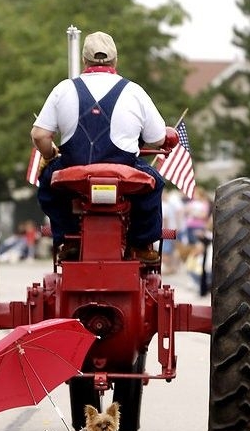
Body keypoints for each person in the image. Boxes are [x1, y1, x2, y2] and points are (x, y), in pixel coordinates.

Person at [31, 31, 171, 263]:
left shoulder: (63, 89)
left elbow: (39, 135)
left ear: (85, 61)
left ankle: (70, 239)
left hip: (72, 171)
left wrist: (50, 155)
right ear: (115, 60)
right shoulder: (134, 91)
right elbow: (157, 139)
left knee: (47, 186)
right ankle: (139, 245)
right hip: (124, 172)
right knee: (154, 185)